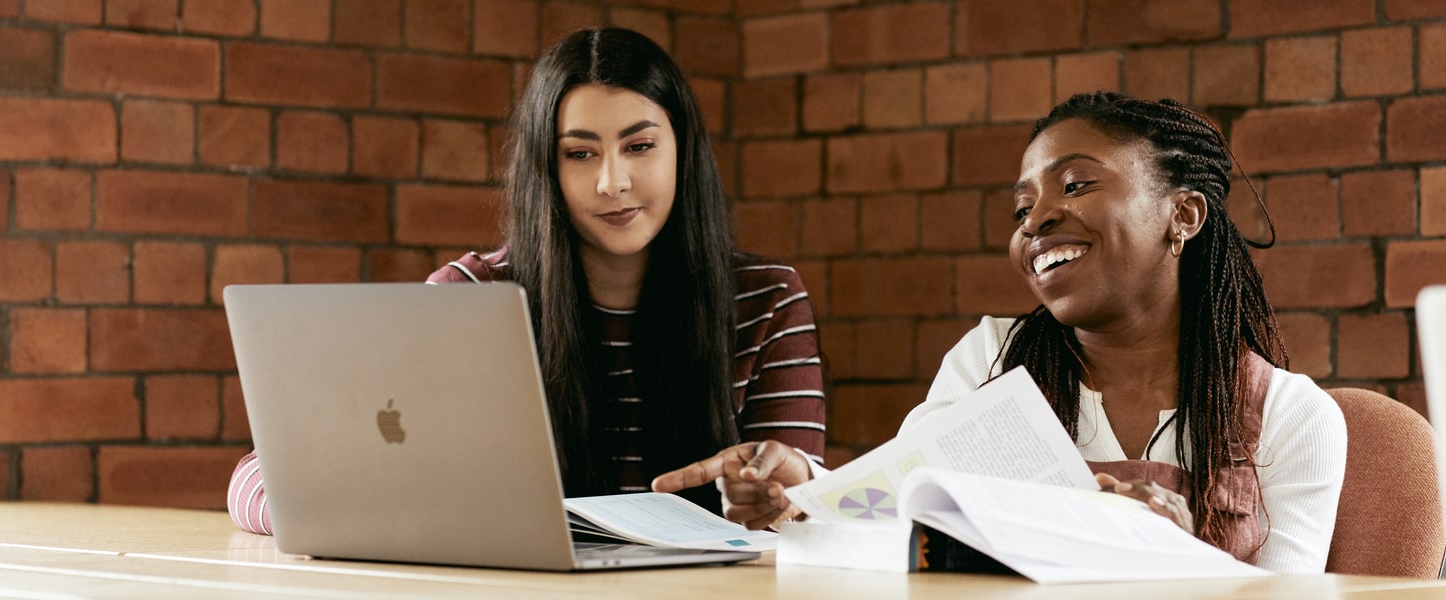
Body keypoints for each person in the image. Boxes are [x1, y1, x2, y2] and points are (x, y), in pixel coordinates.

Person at [653, 91, 1346, 573]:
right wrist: (799, 493)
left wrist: (1174, 558)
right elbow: (902, 512)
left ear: (1184, 215)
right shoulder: (990, 358)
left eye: (1074, 186)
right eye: (1023, 206)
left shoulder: (1292, 417)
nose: (1036, 220)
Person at [227, 27, 827, 535]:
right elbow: (254, 476)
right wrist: (357, 501)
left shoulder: (766, 299)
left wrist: (790, 497)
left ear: (683, 149)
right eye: (579, 154)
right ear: (545, 166)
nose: (611, 183)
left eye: (639, 146)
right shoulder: (471, 296)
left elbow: (806, 510)